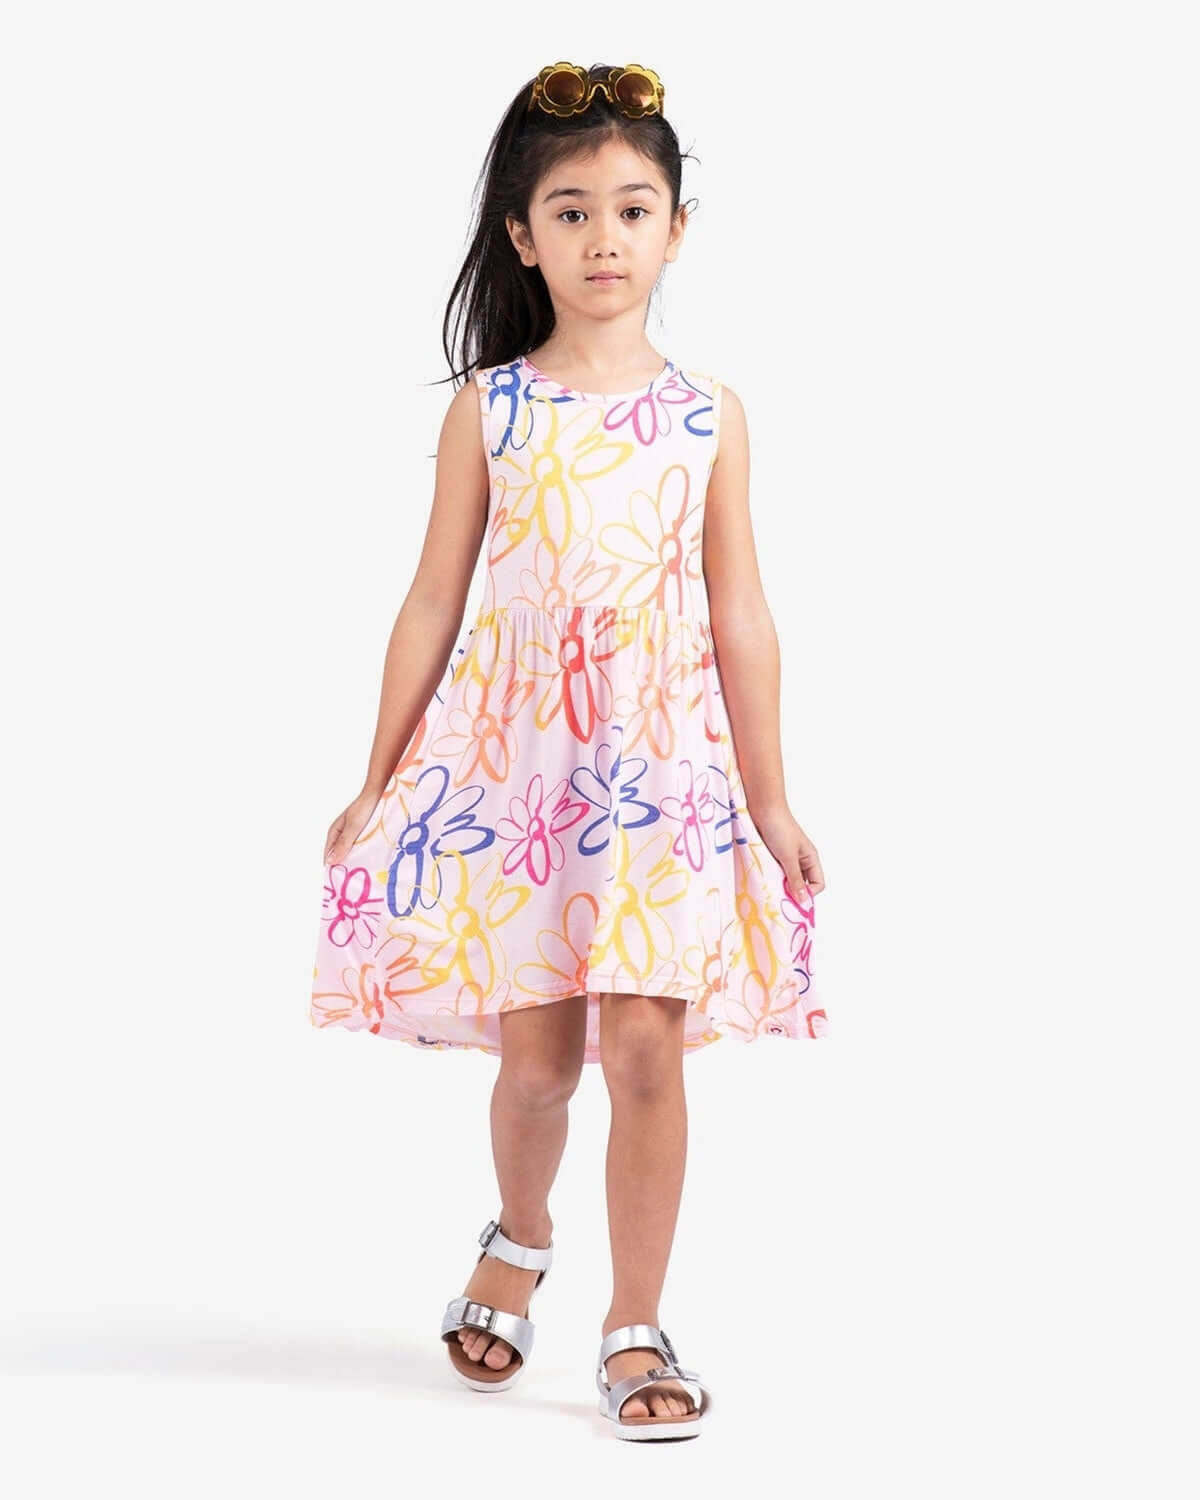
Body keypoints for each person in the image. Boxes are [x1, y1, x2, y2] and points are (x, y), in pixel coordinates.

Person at [310, 59, 829, 1441]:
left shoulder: (710, 415)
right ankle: (521, 1235)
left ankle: (634, 1321)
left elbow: (742, 611)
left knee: (651, 1051)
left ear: (677, 230)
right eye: (573, 210)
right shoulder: (491, 408)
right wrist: (377, 776)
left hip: (659, 776)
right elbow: (433, 598)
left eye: (634, 209)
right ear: (522, 235)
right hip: (520, 777)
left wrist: (772, 799)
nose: (606, 238)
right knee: (538, 1064)